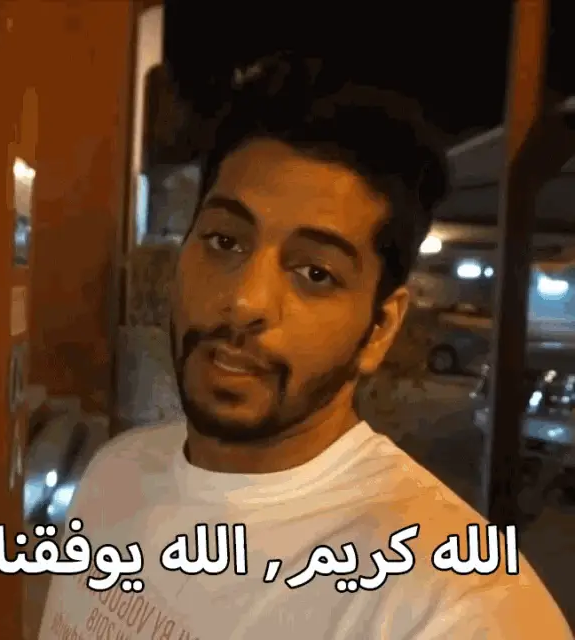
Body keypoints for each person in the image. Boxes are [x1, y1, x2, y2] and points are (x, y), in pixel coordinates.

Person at [38, 55, 572, 639]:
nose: (244, 300)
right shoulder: (115, 474)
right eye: (224, 241)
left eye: (315, 273)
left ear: (379, 329)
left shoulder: (457, 609)